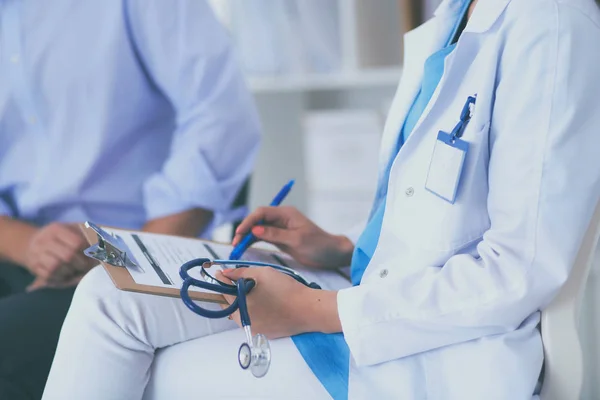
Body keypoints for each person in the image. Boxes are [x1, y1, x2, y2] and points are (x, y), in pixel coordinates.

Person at [43, 0, 600, 398]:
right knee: (107, 297)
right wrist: (337, 248)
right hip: (365, 292)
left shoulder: (550, 23)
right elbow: (440, 218)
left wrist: (313, 310)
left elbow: (520, 270)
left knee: (160, 376)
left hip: (434, 352)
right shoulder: (455, 18)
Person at [0, 0, 260, 398]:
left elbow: (221, 120)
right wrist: (30, 245)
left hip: (132, 258)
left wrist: (129, 261)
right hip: (16, 251)